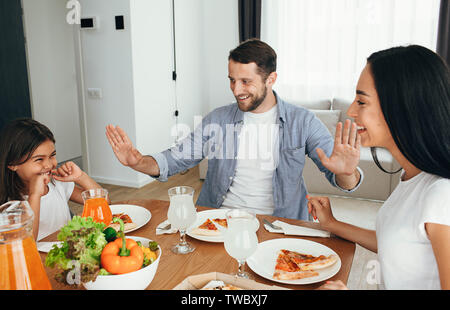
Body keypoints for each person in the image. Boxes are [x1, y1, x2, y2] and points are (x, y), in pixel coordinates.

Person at [106, 39, 363, 221]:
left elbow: (342, 179)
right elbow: (175, 159)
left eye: (245, 81)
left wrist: (347, 172)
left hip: (279, 224)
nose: (236, 89)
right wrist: (138, 162)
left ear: (271, 79)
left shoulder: (303, 121)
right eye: (231, 80)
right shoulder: (218, 119)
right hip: (218, 220)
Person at [310, 45, 450, 290]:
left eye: (361, 101)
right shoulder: (413, 177)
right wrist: (332, 224)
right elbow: (398, 240)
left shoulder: (441, 195)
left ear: (402, 107)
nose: (351, 111)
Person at [0, 118, 103, 241]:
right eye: (39, 159)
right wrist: (35, 195)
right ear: (13, 164)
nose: (49, 165)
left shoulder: (57, 184)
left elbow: (103, 203)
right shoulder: (9, 205)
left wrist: (80, 177)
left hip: (68, 255)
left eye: (52, 156)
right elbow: (28, 241)